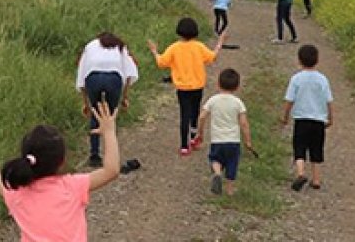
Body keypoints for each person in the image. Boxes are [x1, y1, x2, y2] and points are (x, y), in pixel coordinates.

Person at [0, 101, 121, 242]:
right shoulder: (72, 186)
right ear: (62, 161)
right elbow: (111, 170)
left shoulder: (17, 194)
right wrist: (109, 131)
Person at [149, 17, 227, 155]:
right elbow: (212, 57)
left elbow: (161, 63)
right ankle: (193, 138)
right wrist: (219, 42)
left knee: (184, 115)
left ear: (179, 32)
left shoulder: (174, 47)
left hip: (182, 88)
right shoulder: (199, 46)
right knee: (195, 113)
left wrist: (155, 51)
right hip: (198, 86)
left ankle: (184, 146)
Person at [75, 32, 141, 173]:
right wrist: (125, 97)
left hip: (92, 78)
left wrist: (86, 103)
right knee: (110, 117)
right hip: (113, 77)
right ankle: (111, 155)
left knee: (96, 114)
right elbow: (129, 73)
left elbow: (82, 73)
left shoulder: (90, 46)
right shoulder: (119, 47)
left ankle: (94, 155)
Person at [281, 44, 333, 191]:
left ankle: (301, 172)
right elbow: (329, 100)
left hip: (301, 119)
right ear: (317, 60)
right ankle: (316, 179)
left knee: (300, 147)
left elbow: (289, 100)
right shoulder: (323, 79)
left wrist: (285, 116)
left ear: (299, 60)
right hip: (318, 121)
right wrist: (330, 117)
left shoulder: (296, 79)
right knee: (317, 149)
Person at [197, 68, 253, 196]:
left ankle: (217, 173)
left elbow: (202, 116)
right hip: (233, 140)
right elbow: (244, 123)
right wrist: (248, 141)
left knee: (215, 159)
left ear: (218, 84)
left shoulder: (213, 100)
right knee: (232, 163)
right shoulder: (238, 103)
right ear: (237, 86)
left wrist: (200, 132)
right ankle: (230, 190)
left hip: (217, 139)